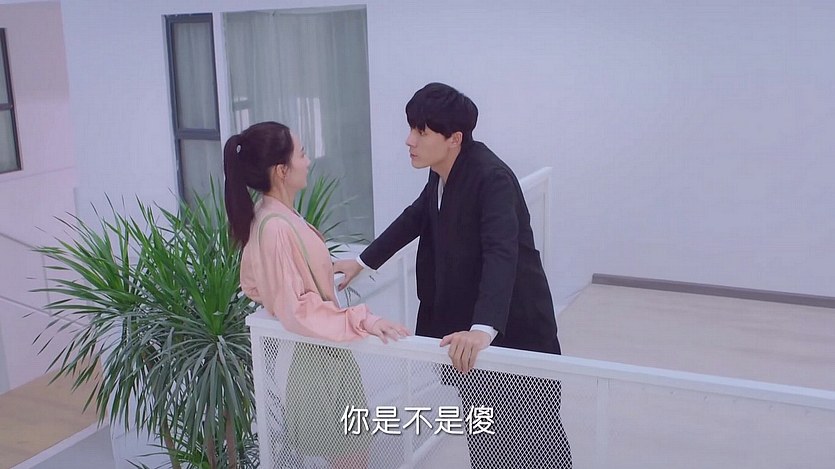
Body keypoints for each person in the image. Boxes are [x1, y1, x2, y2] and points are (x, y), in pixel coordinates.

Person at [335, 83, 571, 468]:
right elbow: (416, 215)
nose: (409, 140)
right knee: (486, 438)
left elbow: (501, 253)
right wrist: (363, 261)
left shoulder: (491, 178)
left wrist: (483, 328)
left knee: (536, 440)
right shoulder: (441, 171)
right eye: (411, 128)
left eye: (421, 131)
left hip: (516, 330)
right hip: (467, 335)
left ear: (454, 139)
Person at [224, 121, 410, 469]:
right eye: (302, 154)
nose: (308, 161)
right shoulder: (276, 227)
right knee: (353, 460)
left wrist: (322, 269)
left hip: (319, 356)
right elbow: (296, 308)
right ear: (282, 171)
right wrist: (365, 319)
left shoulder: (271, 216)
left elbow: (257, 283)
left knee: (353, 456)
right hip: (313, 362)